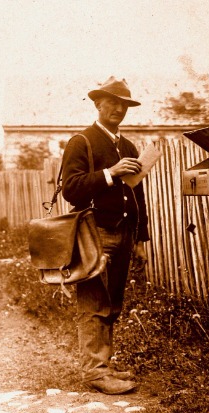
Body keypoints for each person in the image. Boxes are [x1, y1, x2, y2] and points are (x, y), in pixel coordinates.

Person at [61, 76, 150, 395]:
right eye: (111, 102)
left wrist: (141, 239)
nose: (117, 109)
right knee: (93, 302)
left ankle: (105, 364)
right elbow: (71, 189)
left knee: (113, 302)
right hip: (92, 232)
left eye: (123, 104)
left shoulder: (127, 146)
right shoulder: (81, 142)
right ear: (97, 105)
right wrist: (110, 174)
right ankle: (95, 371)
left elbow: (138, 194)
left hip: (124, 233)